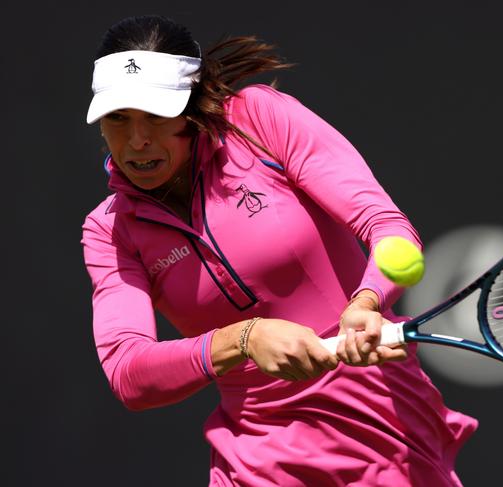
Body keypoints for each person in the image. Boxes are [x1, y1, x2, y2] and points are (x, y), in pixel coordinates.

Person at [81, 15, 477, 487]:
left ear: (192, 108)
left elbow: (386, 227)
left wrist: (367, 301)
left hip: (382, 430)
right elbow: (129, 373)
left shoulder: (258, 119)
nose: (137, 141)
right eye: (118, 119)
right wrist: (242, 339)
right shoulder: (109, 230)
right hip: (254, 458)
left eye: (156, 117)